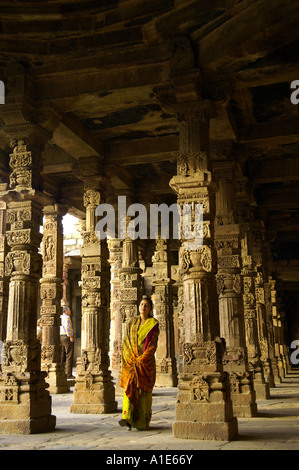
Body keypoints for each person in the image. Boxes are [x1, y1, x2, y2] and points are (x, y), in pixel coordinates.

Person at [119, 295, 159, 431]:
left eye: (146, 305)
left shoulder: (153, 324)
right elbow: (126, 342)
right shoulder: (132, 322)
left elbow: (152, 345)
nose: (143, 307)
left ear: (150, 308)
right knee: (129, 388)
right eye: (142, 304)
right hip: (131, 362)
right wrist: (130, 358)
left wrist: (142, 359)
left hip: (145, 364)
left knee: (144, 393)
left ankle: (142, 421)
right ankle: (127, 417)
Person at [60, 305, 75, 379]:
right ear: (66, 311)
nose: (70, 311)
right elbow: (67, 327)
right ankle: (69, 374)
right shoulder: (67, 317)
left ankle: (61, 372)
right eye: (69, 310)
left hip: (60, 337)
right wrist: (71, 336)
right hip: (66, 336)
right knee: (69, 355)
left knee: (62, 355)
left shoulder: (60, 317)